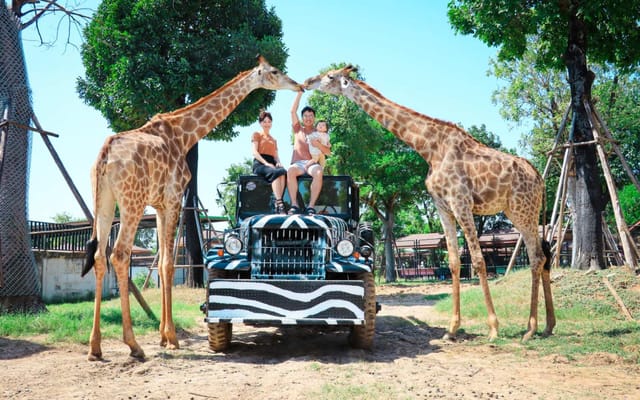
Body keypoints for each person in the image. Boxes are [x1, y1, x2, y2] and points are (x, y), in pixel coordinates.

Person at [287, 91, 331, 215]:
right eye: (305, 115)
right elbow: (292, 111)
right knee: (290, 171)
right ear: (302, 118)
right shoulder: (298, 129)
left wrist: (318, 144)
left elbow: (328, 152)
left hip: (312, 163)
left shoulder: (320, 133)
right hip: (298, 164)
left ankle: (311, 206)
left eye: (310, 115)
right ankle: (294, 205)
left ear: (314, 118)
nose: (308, 118)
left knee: (318, 171)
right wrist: (300, 93)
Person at [251, 110, 287, 214]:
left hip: (272, 163)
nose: (267, 124)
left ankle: (278, 200)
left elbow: (276, 156)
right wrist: (266, 163)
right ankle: (280, 203)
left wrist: (278, 162)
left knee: (283, 171)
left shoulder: (274, 139)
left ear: (271, 123)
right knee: (275, 172)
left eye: (269, 121)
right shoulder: (256, 134)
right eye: (264, 121)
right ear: (260, 123)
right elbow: (254, 152)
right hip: (260, 163)